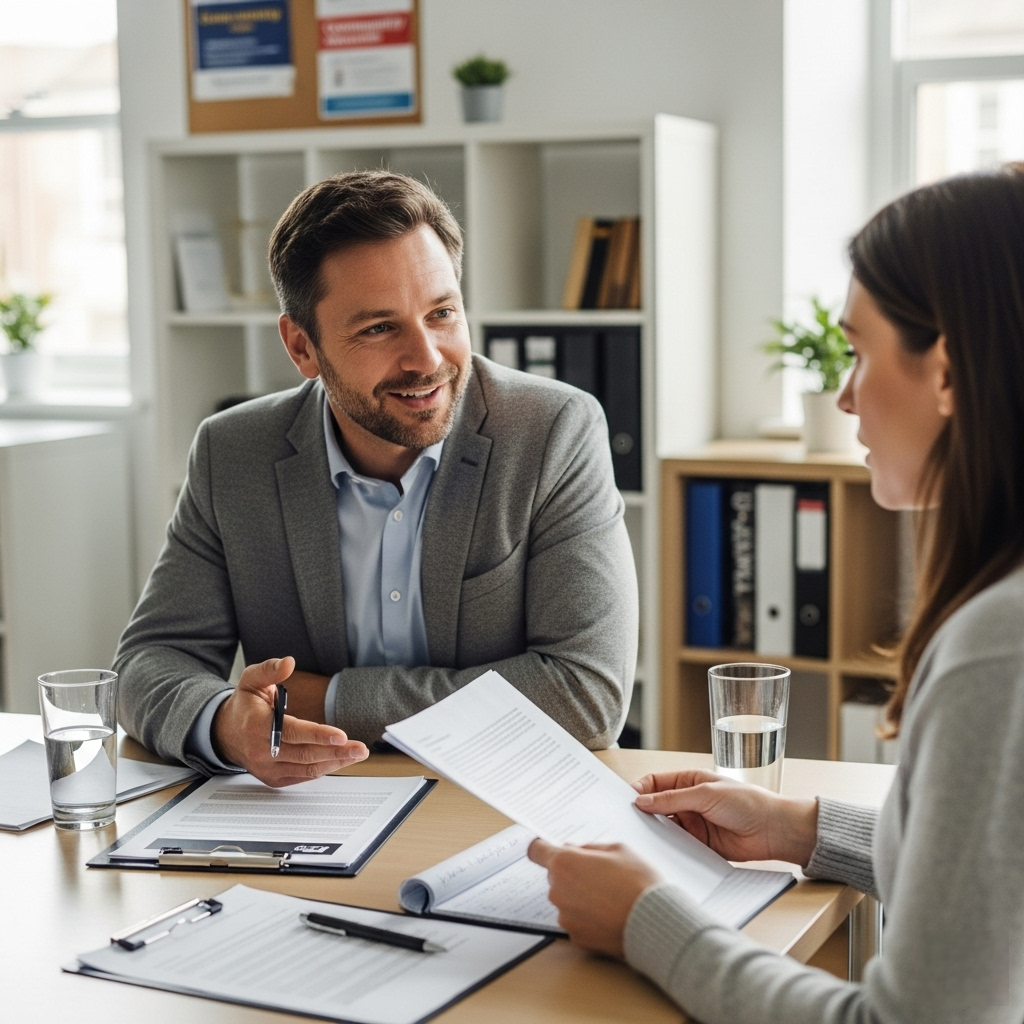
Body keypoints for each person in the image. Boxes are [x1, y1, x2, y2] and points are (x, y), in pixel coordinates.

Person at [529, 164, 1024, 1022]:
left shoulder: (1000, 645)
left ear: (945, 371)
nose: (842, 395)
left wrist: (648, 920)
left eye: (859, 353)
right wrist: (798, 829)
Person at [115, 170, 638, 786]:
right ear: (302, 347)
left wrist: (330, 701)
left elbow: (586, 695)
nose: (427, 359)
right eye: (378, 328)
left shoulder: (553, 431)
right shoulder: (233, 452)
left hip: (500, 802)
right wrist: (228, 722)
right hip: (311, 807)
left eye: (442, 313)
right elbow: (149, 663)